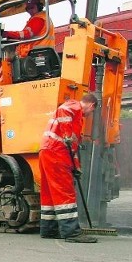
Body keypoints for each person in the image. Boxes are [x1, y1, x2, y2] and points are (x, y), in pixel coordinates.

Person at [38, 93, 98, 243]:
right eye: (92, 112)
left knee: (49, 193)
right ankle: (71, 233)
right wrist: (67, 134)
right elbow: (63, 110)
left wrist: (76, 167)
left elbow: (73, 149)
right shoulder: (74, 107)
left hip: (47, 151)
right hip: (56, 153)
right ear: (91, 105)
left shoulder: (76, 116)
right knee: (65, 192)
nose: (90, 115)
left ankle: (49, 229)